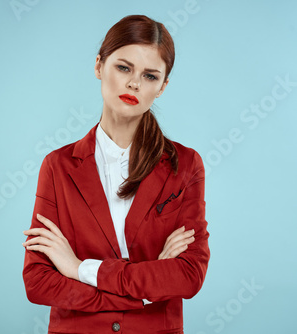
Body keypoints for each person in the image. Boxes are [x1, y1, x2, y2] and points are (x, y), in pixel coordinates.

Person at [22, 14, 210, 334]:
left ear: (162, 87)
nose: (134, 83)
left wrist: (79, 269)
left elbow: (189, 275)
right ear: (99, 66)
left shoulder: (186, 165)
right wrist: (147, 295)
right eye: (124, 68)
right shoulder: (58, 166)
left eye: (150, 76)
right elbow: (38, 282)